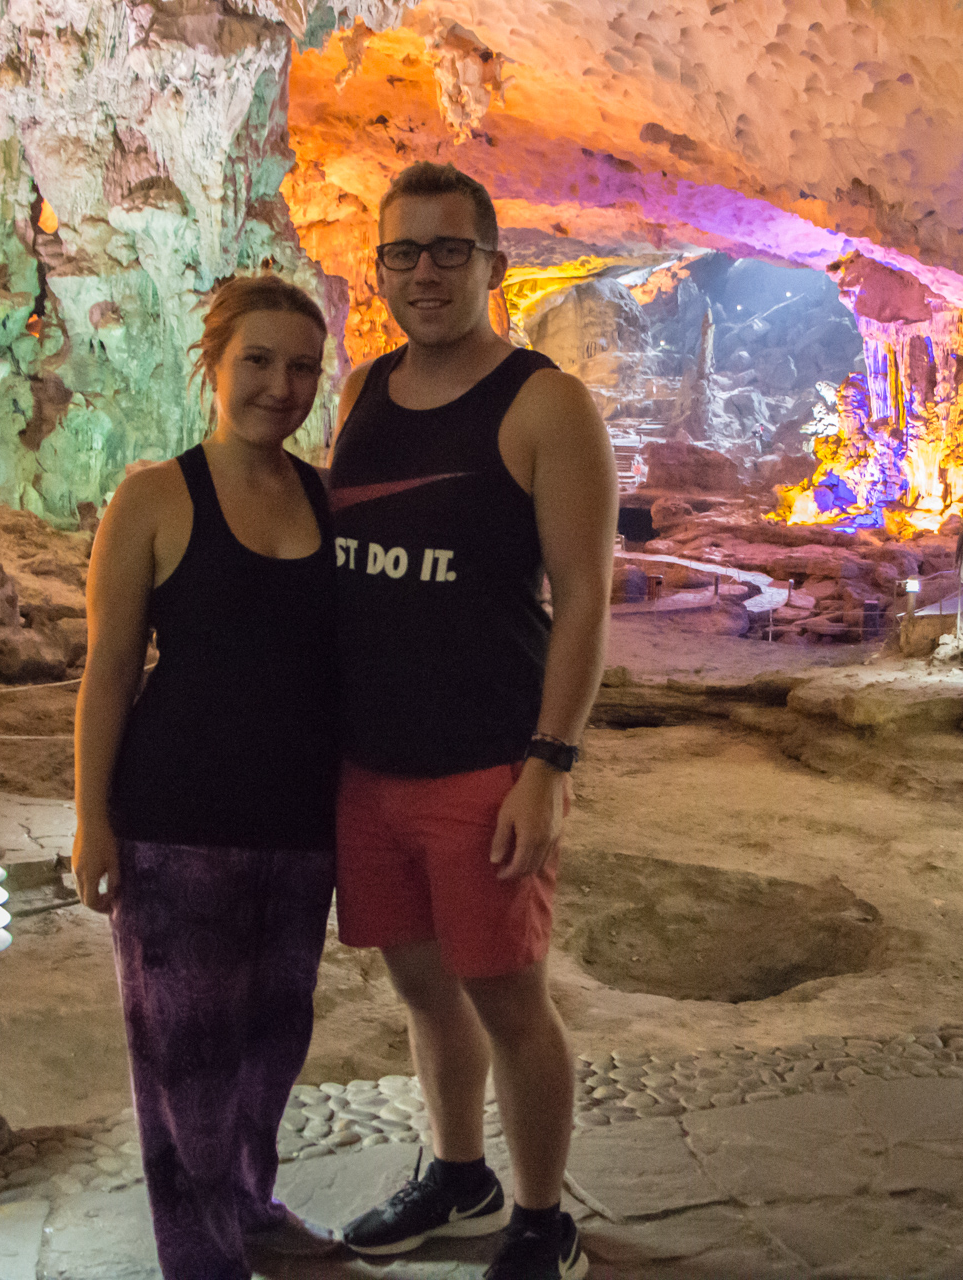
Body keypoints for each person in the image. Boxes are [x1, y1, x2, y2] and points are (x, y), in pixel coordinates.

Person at [329, 162, 615, 1280]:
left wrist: (549, 762)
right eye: (404, 252)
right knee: (418, 985)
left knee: (509, 997)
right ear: (384, 269)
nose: (426, 272)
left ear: (495, 265)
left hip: (483, 764)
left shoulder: (544, 403)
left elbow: (584, 593)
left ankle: (544, 1218)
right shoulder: (362, 392)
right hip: (370, 761)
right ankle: (459, 1174)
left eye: (451, 250)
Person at [71, 275, 342, 1280]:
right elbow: (108, 673)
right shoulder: (155, 495)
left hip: (297, 829)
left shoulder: (325, 498)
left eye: (303, 365)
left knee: (273, 1049)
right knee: (186, 1067)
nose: (282, 384)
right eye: (259, 361)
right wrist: (91, 820)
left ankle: (250, 1204)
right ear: (214, 364)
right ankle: (202, 1257)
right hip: (174, 826)